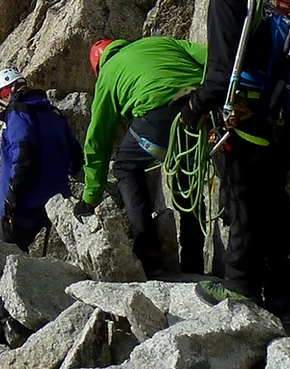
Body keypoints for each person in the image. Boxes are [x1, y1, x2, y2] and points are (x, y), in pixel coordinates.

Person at [182, 0, 290, 317]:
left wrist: (194, 108)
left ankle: (241, 287)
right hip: (283, 113)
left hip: (244, 118)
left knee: (243, 199)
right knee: (274, 199)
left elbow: (219, 78)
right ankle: (282, 294)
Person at [78, 36, 208, 277]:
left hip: (159, 119)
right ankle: (194, 264)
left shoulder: (108, 74)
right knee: (187, 180)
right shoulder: (162, 42)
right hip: (203, 108)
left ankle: (149, 254)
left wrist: (90, 197)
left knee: (125, 168)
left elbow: (98, 140)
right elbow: (209, 56)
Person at [0, 68, 80, 249]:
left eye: (6, 93)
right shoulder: (52, 113)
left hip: (23, 203)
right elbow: (76, 157)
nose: (8, 97)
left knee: (10, 259)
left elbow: (23, 150)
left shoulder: (17, 111)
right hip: (55, 201)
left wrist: (13, 193)